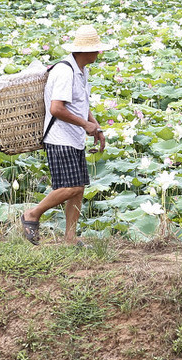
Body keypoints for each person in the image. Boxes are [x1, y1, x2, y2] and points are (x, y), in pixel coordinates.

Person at [20, 25, 113, 245]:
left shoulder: (81, 70)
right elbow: (56, 109)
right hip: (60, 137)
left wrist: (94, 125)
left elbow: (80, 102)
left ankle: (70, 237)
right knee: (72, 187)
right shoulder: (65, 71)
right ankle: (32, 214)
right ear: (84, 51)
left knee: (78, 190)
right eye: (95, 49)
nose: (99, 53)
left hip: (74, 137)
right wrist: (85, 125)